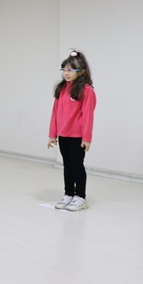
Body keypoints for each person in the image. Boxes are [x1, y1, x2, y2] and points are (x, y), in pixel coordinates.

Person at [47, 49, 96, 212]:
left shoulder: (87, 90)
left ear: (81, 72)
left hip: (77, 136)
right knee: (67, 165)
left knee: (77, 166)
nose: (66, 73)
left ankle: (80, 196)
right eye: (64, 69)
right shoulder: (61, 89)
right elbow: (55, 113)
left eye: (70, 70)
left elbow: (88, 115)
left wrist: (87, 138)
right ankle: (68, 194)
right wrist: (52, 134)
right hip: (63, 135)